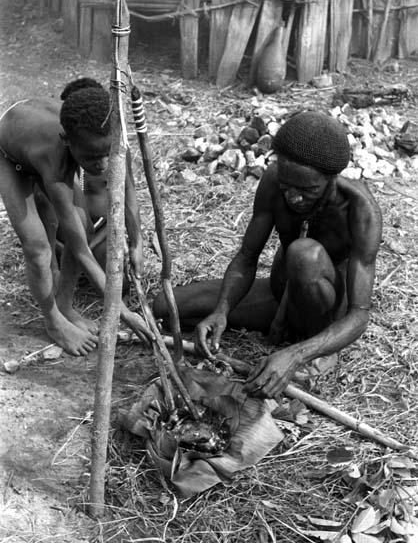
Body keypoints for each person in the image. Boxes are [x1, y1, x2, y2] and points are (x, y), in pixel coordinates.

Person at [153, 110, 382, 398]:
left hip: (325, 315)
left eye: (307, 189)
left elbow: (359, 315)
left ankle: (314, 347)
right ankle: (279, 327)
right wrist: (221, 310)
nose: (294, 197)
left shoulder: (361, 210)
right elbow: (247, 257)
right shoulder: (274, 181)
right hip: (279, 296)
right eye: (288, 186)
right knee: (165, 307)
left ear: (331, 179)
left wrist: (296, 355)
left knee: (303, 254)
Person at [0, 77, 148, 356]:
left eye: (106, 154)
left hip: (36, 132)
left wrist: (137, 241)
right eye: (93, 158)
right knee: (37, 247)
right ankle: (54, 320)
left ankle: (65, 304)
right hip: (7, 154)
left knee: (84, 226)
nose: (103, 165)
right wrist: (122, 312)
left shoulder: (110, 135)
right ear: (68, 142)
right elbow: (79, 250)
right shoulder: (55, 161)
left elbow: (128, 189)